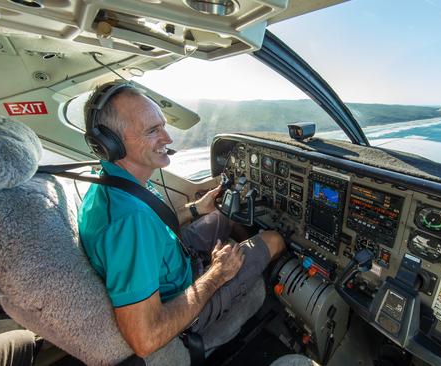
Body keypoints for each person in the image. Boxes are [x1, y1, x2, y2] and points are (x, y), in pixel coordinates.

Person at [77, 82, 286, 358]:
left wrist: (197, 209)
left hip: (174, 258)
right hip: (181, 300)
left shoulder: (115, 184)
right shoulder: (128, 222)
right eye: (152, 131)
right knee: (274, 239)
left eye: (162, 126)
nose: (168, 138)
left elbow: (154, 224)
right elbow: (146, 338)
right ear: (110, 144)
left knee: (221, 213)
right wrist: (217, 274)